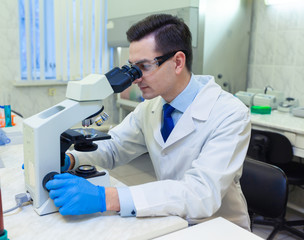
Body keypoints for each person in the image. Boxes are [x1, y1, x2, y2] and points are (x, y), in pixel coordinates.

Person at [45, 13, 251, 230]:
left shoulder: (230, 114)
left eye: (143, 67)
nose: (135, 78)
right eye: (131, 68)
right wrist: (70, 159)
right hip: (170, 218)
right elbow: (114, 146)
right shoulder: (150, 108)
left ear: (178, 62)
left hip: (218, 228)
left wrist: (108, 197)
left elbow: (201, 194)